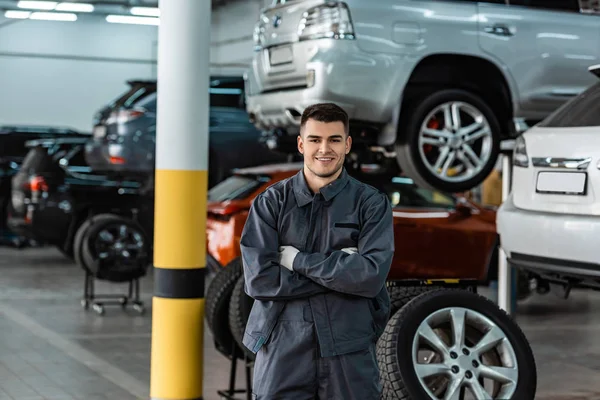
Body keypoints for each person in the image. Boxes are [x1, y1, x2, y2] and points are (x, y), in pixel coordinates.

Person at [239, 102, 395, 399]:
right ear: (301, 144)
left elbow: (370, 277)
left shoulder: (371, 204)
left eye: (334, 139)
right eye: (315, 139)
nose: (325, 149)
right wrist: (341, 275)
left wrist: (297, 261)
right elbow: (260, 281)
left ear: (347, 144)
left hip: (348, 348)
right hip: (283, 345)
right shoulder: (271, 203)